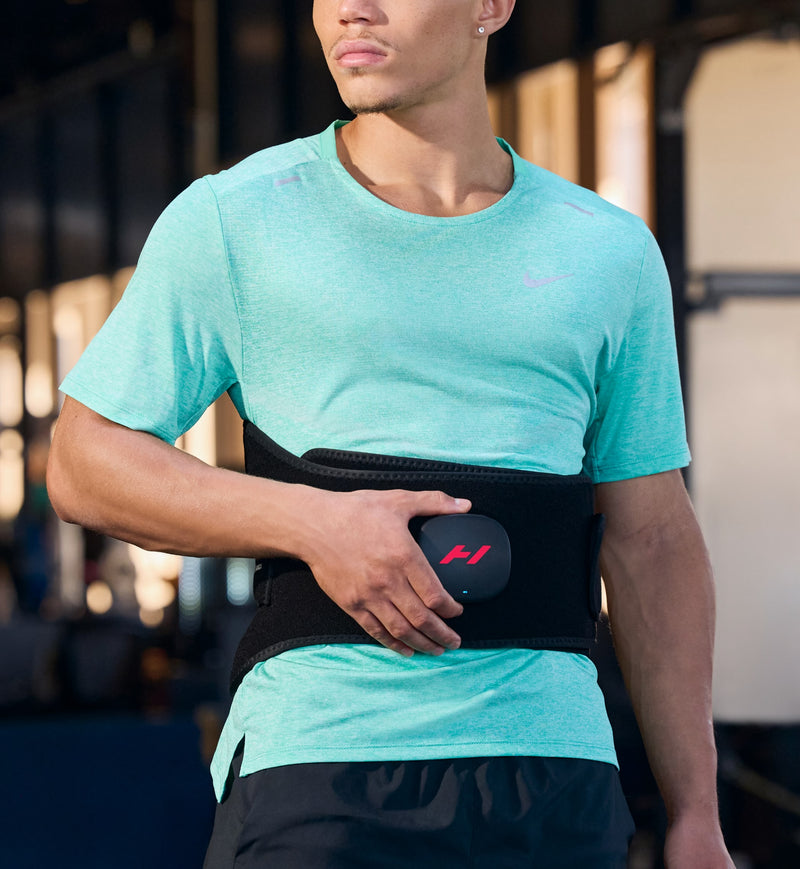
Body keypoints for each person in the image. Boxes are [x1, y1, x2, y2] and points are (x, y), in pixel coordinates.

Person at [47, 1, 734, 866]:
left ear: (491, 5)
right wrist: (314, 523)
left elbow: (653, 537)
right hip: (321, 766)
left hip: (552, 770)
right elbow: (82, 461)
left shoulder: (608, 252)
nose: (349, 8)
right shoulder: (236, 220)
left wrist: (695, 812)